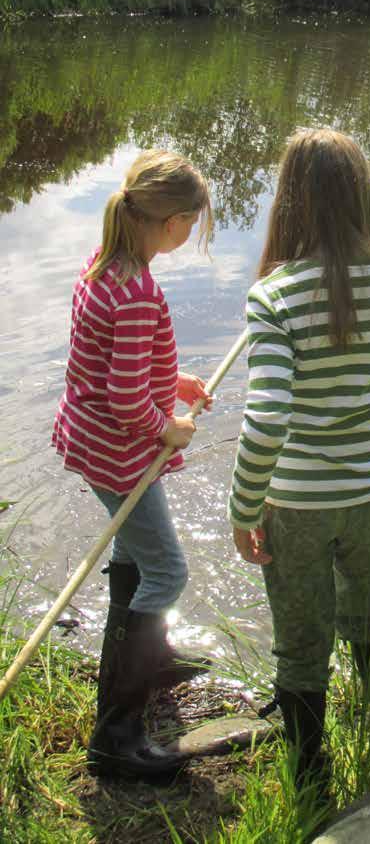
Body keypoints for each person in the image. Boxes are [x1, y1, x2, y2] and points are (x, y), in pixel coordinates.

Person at [228, 128, 370, 803]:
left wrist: (243, 508)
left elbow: (266, 420)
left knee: (300, 634)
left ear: (287, 203)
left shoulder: (275, 297)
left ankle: (311, 778)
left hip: (295, 503)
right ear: (362, 197)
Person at [52, 149, 215, 781]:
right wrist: (167, 428)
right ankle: (117, 732)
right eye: (191, 225)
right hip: (120, 454)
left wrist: (171, 380)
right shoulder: (141, 290)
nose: (189, 235)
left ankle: (146, 658)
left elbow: (110, 362)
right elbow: (124, 398)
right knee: (168, 572)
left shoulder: (103, 267)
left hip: (91, 443)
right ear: (172, 223)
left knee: (134, 559)